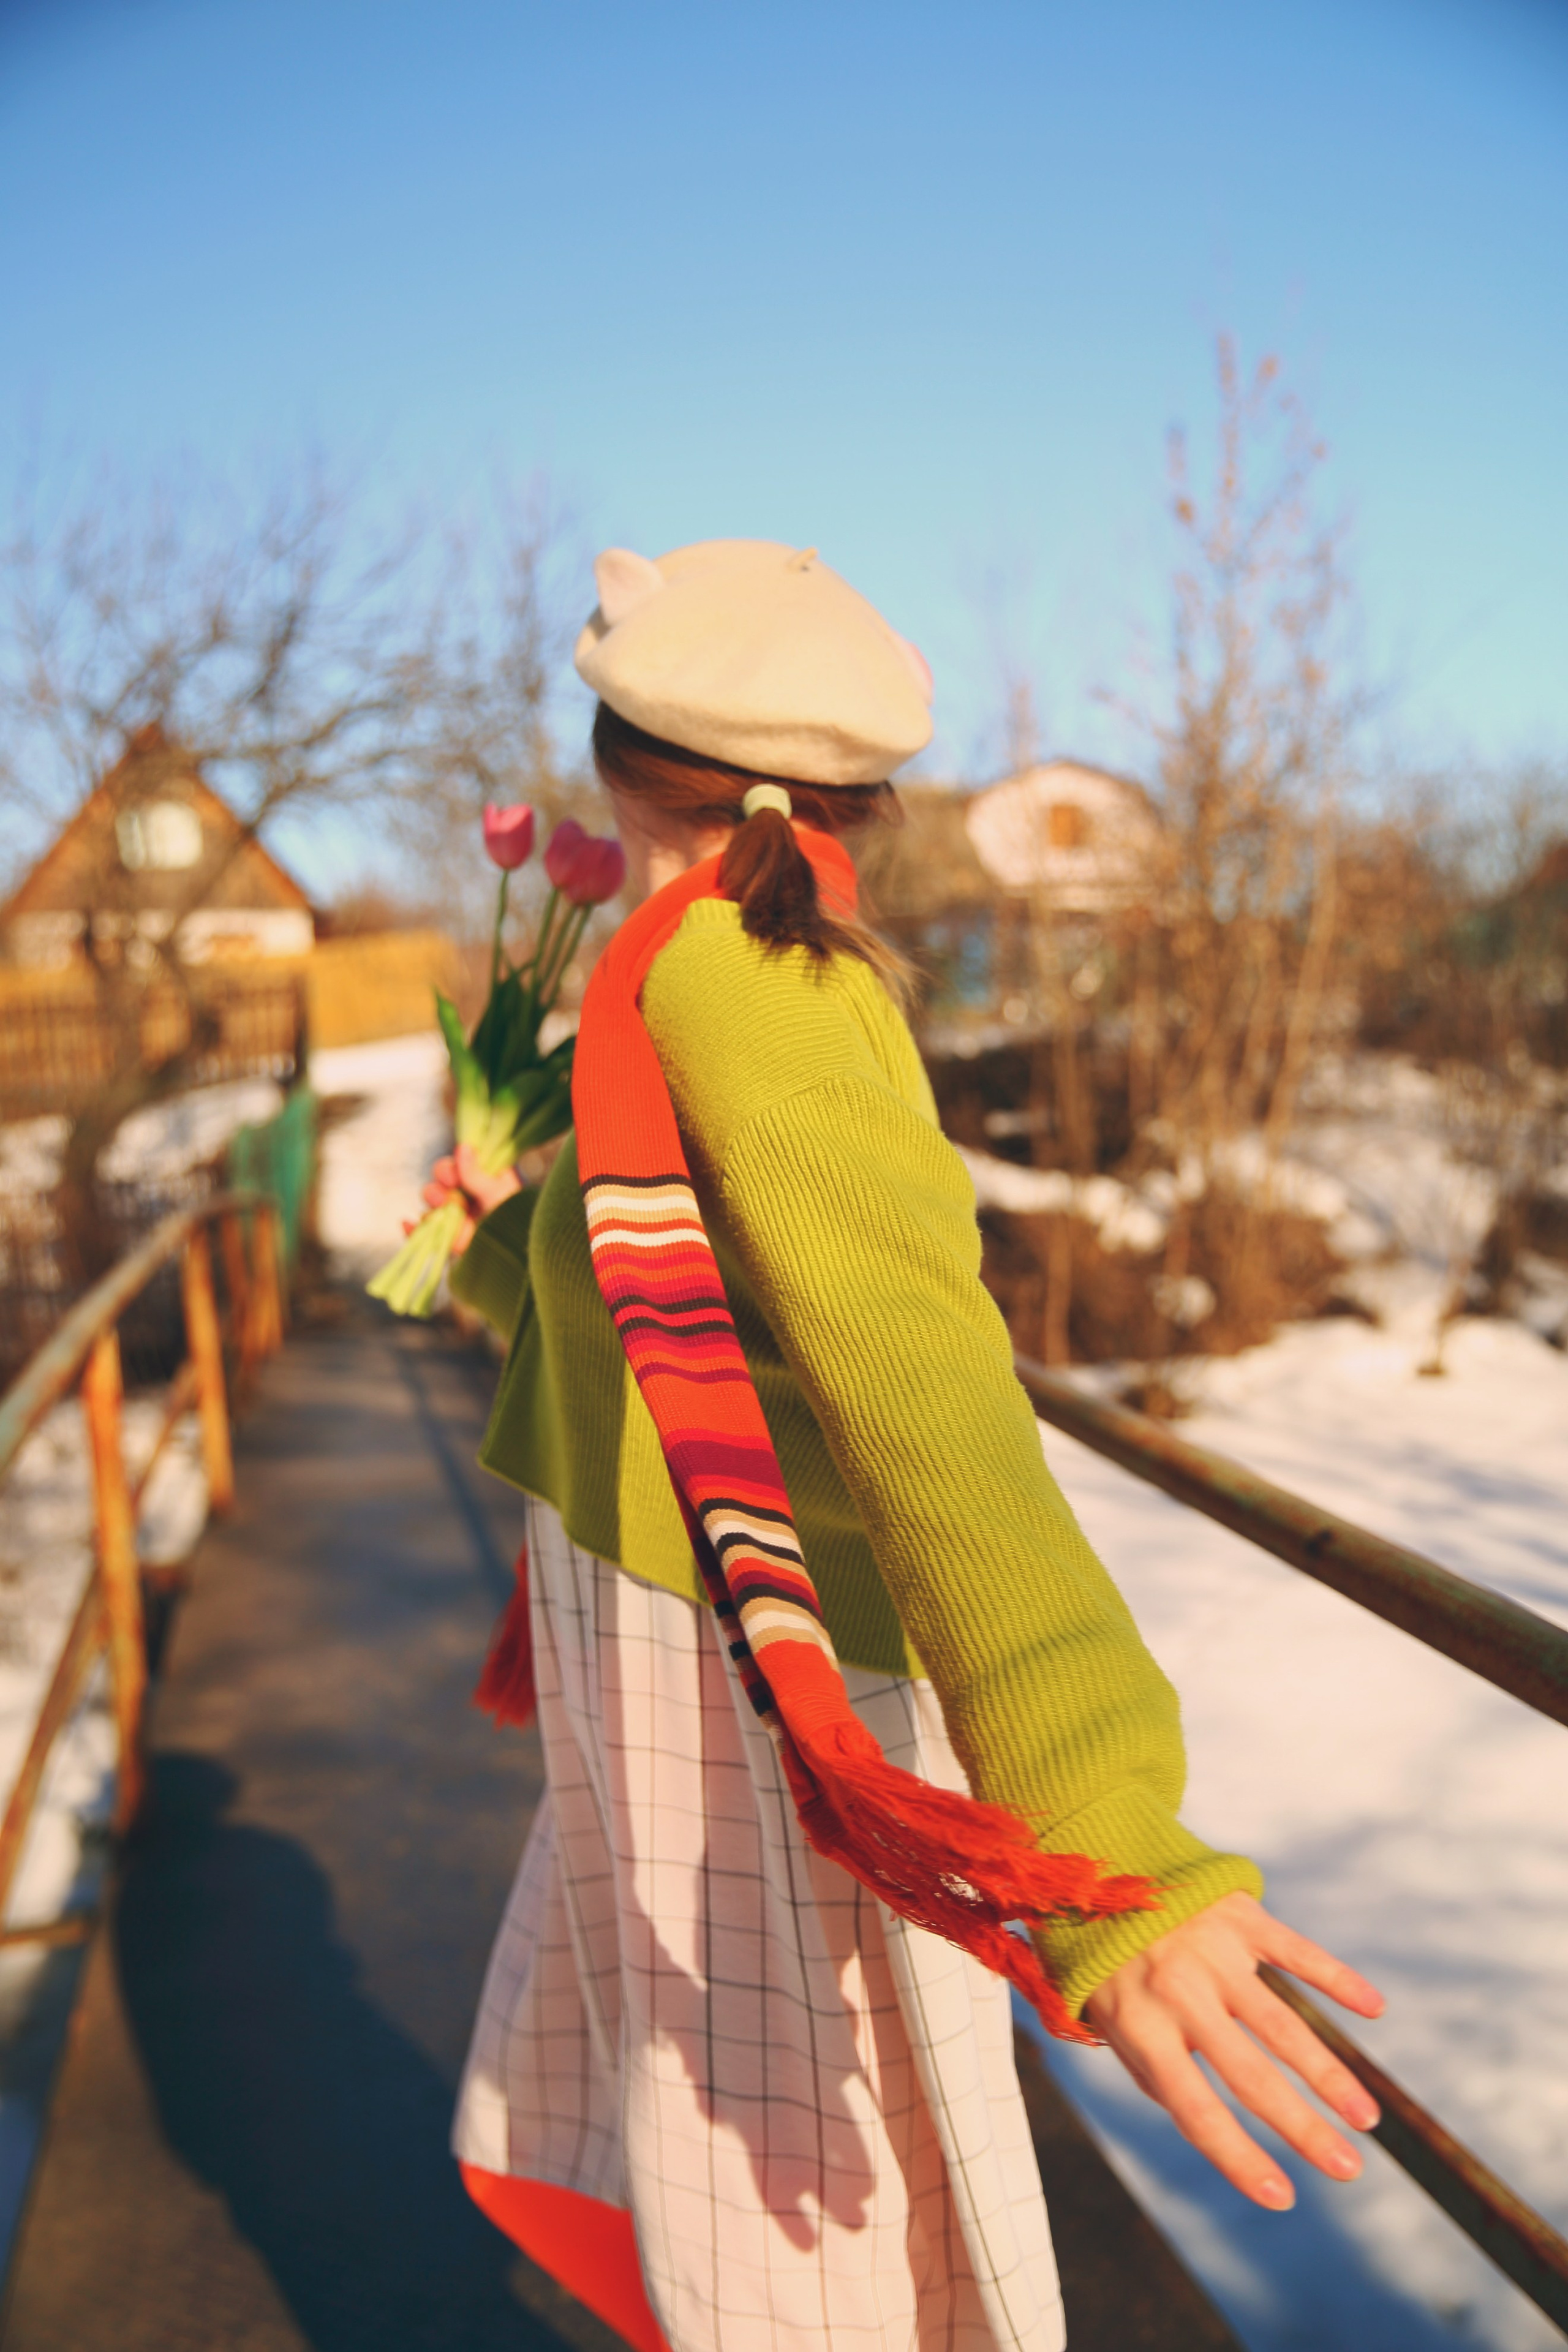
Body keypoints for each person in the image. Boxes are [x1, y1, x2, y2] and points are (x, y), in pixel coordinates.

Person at [430, 540, 1382, 2352]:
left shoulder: (741, 989)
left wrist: (1104, 1839)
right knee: (719, 2111)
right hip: (650, 1627)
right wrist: (488, 1243)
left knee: (789, 2171)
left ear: (612, 759)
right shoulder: (666, 965)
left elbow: (931, 1391)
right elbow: (651, 1306)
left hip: (748, 1668)